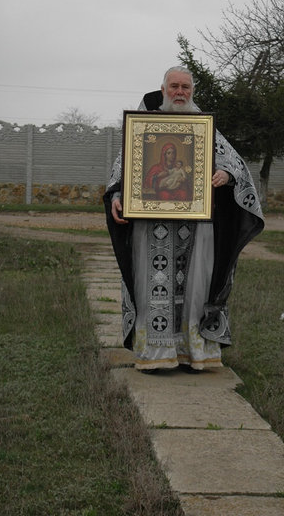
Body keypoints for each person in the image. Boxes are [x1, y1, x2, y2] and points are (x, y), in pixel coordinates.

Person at [104, 66, 264, 372]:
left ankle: (194, 353)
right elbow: (122, 171)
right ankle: (156, 355)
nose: (180, 93)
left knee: (196, 289)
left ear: (192, 91)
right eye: (174, 86)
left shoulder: (203, 127)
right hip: (152, 228)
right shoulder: (144, 126)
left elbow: (235, 164)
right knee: (153, 287)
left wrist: (225, 174)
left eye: (185, 87)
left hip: (196, 226)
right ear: (163, 89)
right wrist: (116, 197)